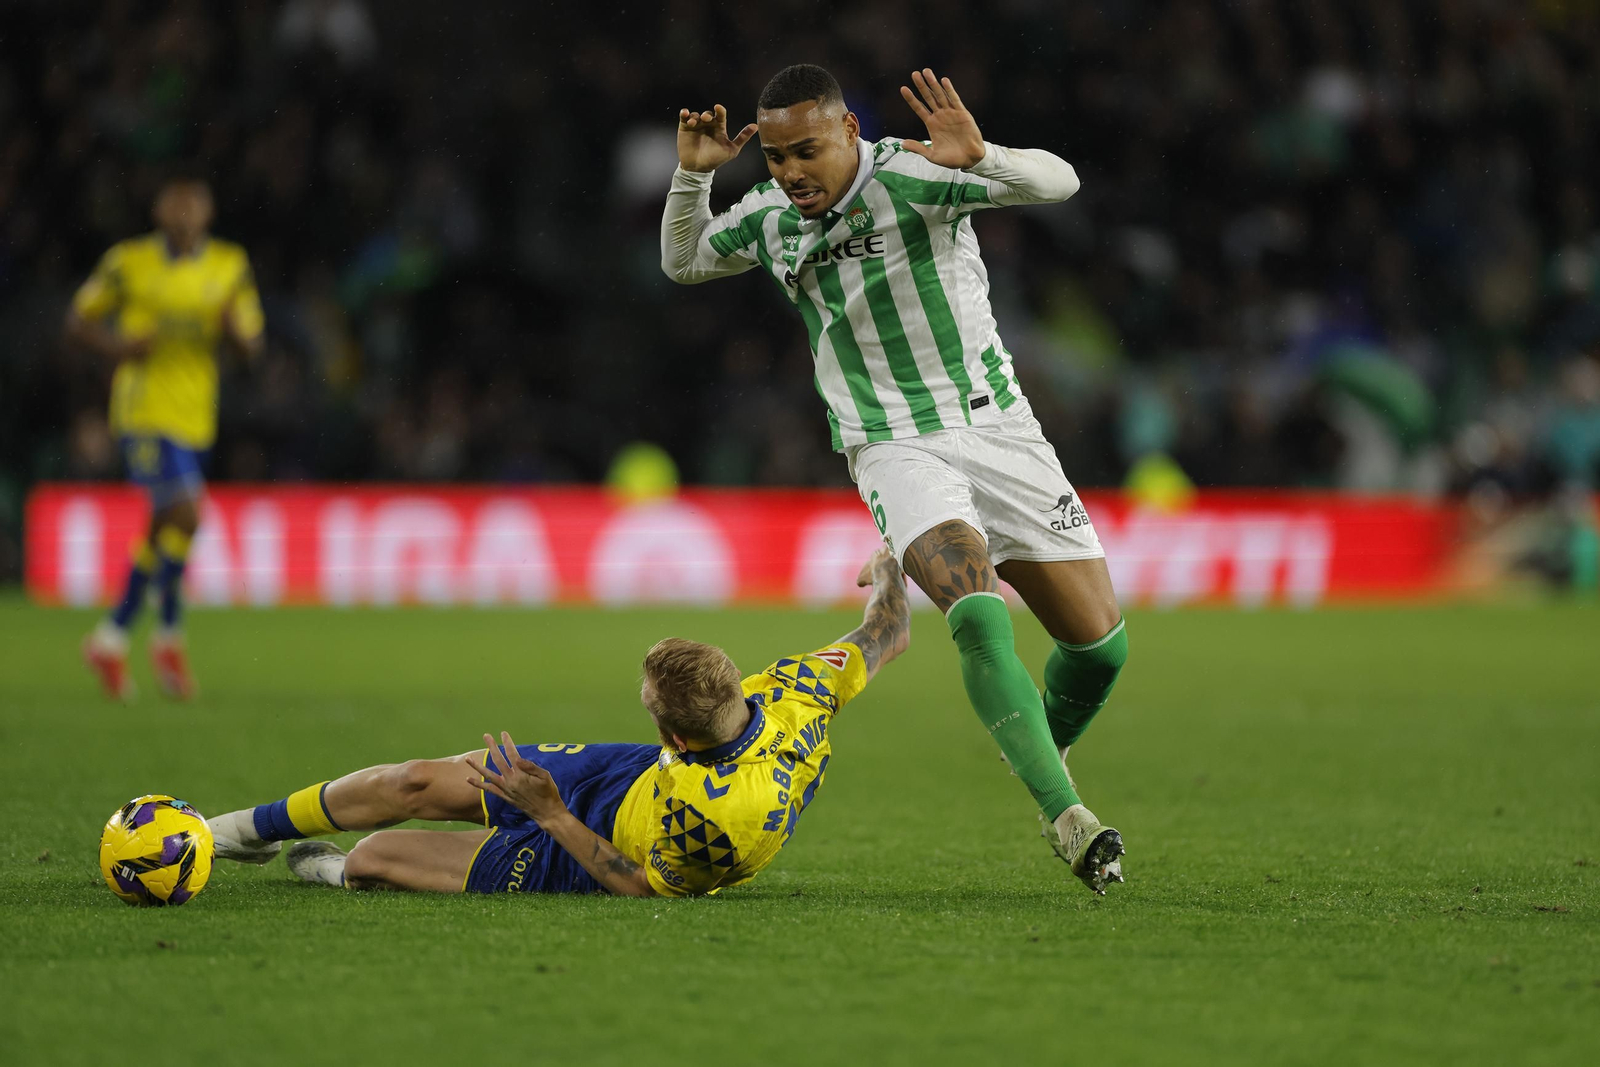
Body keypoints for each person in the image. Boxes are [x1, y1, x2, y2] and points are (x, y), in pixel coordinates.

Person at [661, 65, 1128, 893]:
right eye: (775, 157)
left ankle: (1034, 740)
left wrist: (983, 158)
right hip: (890, 442)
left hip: (999, 427)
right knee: (978, 616)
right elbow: (685, 261)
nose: (790, 173)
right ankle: (1069, 817)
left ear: (849, 131)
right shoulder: (770, 217)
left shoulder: (916, 176)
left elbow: (1062, 182)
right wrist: (694, 176)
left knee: (1098, 649)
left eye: (806, 151)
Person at [204, 549, 909, 897]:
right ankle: (235, 831)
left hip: (598, 851)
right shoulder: (797, 690)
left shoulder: (718, 820)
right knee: (414, 781)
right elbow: (889, 633)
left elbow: (638, 885)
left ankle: (342, 871)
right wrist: (887, 573)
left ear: (676, 737)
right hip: (629, 779)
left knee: (375, 853)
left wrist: (550, 814)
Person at [68, 174, 265, 702]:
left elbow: (253, 346)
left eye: (192, 206)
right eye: (175, 205)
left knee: (166, 529)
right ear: (159, 212)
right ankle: (169, 638)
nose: (183, 215)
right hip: (143, 410)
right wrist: (118, 348)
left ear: (208, 213)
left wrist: (235, 333)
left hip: (196, 414)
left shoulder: (229, 265)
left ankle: (110, 639)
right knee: (189, 513)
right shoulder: (128, 262)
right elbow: (77, 320)